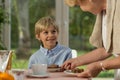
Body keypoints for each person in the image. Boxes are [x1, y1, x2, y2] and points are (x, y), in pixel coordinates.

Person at [62, 0, 120, 79]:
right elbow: (109, 48)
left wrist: (100, 66)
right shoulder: (104, 13)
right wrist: (78, 61)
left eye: (79, 5)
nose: (82, 9)